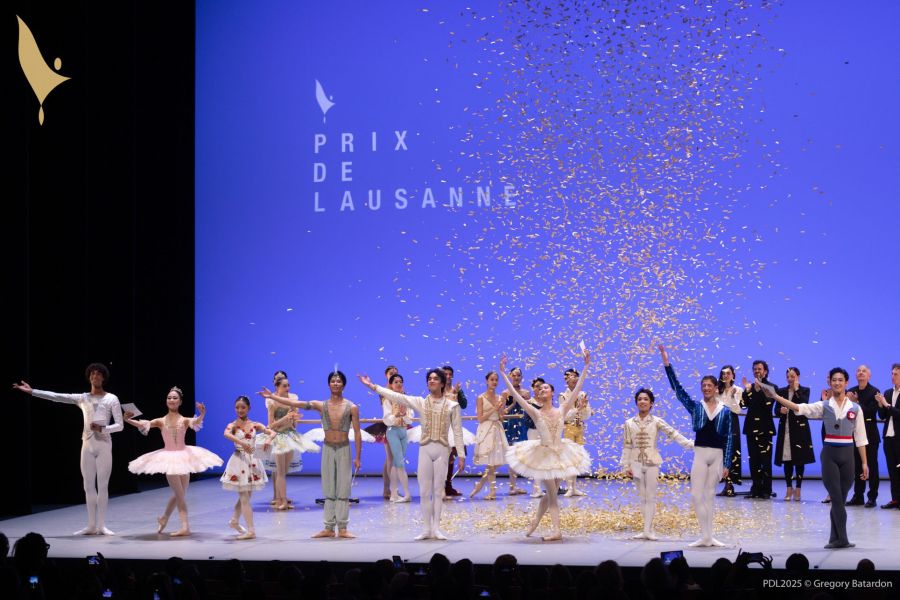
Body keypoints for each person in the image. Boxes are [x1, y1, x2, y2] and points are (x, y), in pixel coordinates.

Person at [761, 368, 868, 548]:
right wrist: (774, 397)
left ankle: (834, 538)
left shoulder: (856, 409)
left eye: (840, 380)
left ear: (846, 383)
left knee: (840, 499)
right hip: (830, 456)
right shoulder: (823, 405)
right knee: (836, 497)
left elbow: (861, 438)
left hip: (849, 456)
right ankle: (843, 539)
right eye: (834, 380)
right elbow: (798, 408)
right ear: (830, 383)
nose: (837, 383)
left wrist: (864, 463)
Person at [12, 364, 123, 535]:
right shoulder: (82, 398)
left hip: (104, 445)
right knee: (87, 486)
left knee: (102, 485)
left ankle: (101, 525)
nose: (96, 376)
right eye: (93, 374)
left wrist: (102, 429)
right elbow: (57, 396)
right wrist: (32, 391)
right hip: (87, 444)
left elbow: (120, 425)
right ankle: (91, 525)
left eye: (99, 374)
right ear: (89, 377)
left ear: (104, 378)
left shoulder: (112, 398)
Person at [358, 368, 465, 540]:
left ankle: (436, 528)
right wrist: (372, 386)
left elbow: (457, 432)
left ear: (443, 383)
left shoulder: (453, 406)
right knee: (424, 491)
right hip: (425, 449)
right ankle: (426, 529)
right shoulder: (421, 402)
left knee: (437, 491)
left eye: (435, 378)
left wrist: (461, 455)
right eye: (429, 378)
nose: (431, 381)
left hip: (442, 450)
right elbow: (396, 397)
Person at [501, 348, 591, 541]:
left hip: (561, 453)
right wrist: (502, 374)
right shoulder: (535, 412)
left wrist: (586, 366)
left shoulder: (562, 408)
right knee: (552, 494)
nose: (542, 390)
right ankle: (557, 530)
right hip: (544, 455)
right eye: (540, 389)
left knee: (550, 494)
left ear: (552, 392)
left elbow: (577, 388)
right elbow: (516, 397)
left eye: (546, 388)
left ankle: (535, 521)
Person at [261, 370, 363, 538]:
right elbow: (299, 404)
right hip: (328, 448)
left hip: (344, 448)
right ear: (329, 384)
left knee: (343, 488)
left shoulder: (352, 407)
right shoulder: (320, 405)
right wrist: (272, 397)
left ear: (343, 384)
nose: (335, 383)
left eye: (338, 381)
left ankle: (343, 528)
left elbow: (357, 433)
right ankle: (329, 527)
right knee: (329, 487)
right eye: (332, 381)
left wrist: (358, 457)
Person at [658, 344, 733, 547]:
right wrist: (666, 362)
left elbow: (729, 438)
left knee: (710, 496)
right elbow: (677, 389)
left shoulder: (725, 411)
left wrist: (727, 464)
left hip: (717, 456)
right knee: (695, 494)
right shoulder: (695, 407)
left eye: (710, 386)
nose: (706, 388)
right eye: (703, 386)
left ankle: (710, 536)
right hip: (700, 454)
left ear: (716, 388)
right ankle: (704, 535)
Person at [125, 387, 223, 535]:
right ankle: (185, 527)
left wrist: (202, 413)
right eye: (169, 397)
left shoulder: (183, 420)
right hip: (169, 459)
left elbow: (196, 421)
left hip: (185, 457)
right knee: (180, 494)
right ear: (166, 401)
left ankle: (164, 518)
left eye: (175, 398)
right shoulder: (160, 421)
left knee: (180, 493)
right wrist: (127, 419)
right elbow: (142, 425)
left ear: (180, 402)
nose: (171, 400)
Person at [620, 387, 693, 540]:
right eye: (640, 399)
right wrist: (626, 465)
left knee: (651, 496)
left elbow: (672, 433)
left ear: (651, 403)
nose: (642, 401)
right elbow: (627, 444)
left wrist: (688, 443)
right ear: (636, 402)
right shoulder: (628, 423)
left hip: (652, 462)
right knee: (643, 497)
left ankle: (648, 530)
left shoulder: (656, 421)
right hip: (635, 463)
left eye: (646, 399)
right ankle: (646, 529)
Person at [258, 371, 319, 511]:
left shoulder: (292, 402)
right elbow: (271, 425)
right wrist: (286, 418)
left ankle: (281, 498)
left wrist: (294, 418)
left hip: (290, 436)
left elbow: (293, 425)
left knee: (284, 471)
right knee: (279, 471)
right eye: (285, 386)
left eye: (288, 385)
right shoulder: (272, 402)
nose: (288, 388)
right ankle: (282, 500)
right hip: (279, 437)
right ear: (278, 387)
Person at [221, 395, 275, 540]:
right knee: (244, 496)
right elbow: (226, 434)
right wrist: (241, 442)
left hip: (252, 462)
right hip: (239, 460)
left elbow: (272, 432)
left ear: (249, 408)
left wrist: (268, 440)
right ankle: (251, 530)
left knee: (246, 495)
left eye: (243, 407)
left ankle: (234, 520)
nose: (240, 410)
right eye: (237, 407)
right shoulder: (232, 425)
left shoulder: (255, 425)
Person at [773, 368, 814, 502]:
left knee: (799, 460)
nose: (790, 379)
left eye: (793, 376)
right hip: (786, 429)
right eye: (788, 377)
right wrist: (781, 411)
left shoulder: (804, 390)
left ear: (798, 377)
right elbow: (776, 410)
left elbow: (804, 405)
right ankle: (788, 488)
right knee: (787, 460)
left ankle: (798, 488)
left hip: (800, 430)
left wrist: (796, 390)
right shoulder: (782, 391)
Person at [740, 360, 776, 499]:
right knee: (753, 460)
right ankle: (755, 489)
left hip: (766, 429)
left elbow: (767, 405)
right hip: (751, 428)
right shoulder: (749, 388)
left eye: (759, 369)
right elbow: (743, 405)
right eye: (755, 369)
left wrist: (758, 389)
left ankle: (766, 490)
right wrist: (747, 391)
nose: (757, 371)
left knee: (765, 460)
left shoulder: (772, 387)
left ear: (765, 371)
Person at [471, 371, 509, 500]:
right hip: (486, 429)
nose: (494, 382)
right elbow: (480, 418)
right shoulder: (480, 397)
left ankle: (481, 484)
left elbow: (501, 418)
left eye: (496, 380)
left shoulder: (499, 397)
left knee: (495, 462)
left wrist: (501, 407)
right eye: (492, 379)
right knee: (490, 463)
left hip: (497, 429)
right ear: (487, 381)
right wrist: (494, 408)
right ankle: (492, 491)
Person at [847, 365, 881, 507]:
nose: (861, 372)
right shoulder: (851, 391)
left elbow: (870, 413)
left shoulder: (874, 392)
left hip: (870, 435)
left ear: (869, 376)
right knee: (857, 467)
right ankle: (858, 496)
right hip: (855, 435)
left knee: (871, 466)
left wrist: (857, 402)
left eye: (864, 371)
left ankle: (872, 497)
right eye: (858, 371)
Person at [560, 367, 593, 497]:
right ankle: (569, 487)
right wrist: (577, 409)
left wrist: (584, 409)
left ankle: (574, 487)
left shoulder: (582, 395)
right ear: (566, 380)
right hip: (568, 428)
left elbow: (587, 415)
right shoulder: (563, 396)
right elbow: (564, 416)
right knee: (569, 458)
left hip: (579, 428)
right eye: (570, 376)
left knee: (577, 458)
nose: (573, 378)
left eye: (575, 376)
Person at [382, 373, 413, 502]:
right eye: (396, 382)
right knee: (400, 463)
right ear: (391, 385)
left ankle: (394, 494)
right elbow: (386, 419)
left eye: (401, 381)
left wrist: (404, 415)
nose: (399, 384)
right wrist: (396, 415)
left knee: (396, 463)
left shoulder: (406, 399)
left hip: (403, 431)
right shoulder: (387, 399)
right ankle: (407, 494)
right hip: (392, 431)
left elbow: (410, 419)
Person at [500, 366, 530, 495]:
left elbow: (530, 410)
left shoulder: (526, 393)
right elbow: (502, 410)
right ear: (509, 377)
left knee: (519, 456)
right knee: (512, 455)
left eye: (518, 375)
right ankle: (512, 486)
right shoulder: (505, 393)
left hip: (522, 424)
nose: (516, 377)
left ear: (521, 377)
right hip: (509, 424)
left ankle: (515, 485)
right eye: (514, 375)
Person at [875, 363, 900, 509]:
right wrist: (880, 405)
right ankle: (895, 499)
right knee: (892, 469)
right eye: (892, 374)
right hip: (888, 437)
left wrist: (887, 405)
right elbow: (883, 416)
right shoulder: (888, 393)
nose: (892, 376)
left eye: (896, 374)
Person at [716, 365, 743, 497]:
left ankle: (730, 484)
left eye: (728, 373)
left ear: (733, 375)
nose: (725, 375)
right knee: (720, 452)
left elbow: (737, 410)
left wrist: (732, 397)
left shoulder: (738, 390)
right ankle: (724, 484)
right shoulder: (717, 390)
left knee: (732, 452)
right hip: (719, 422)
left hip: (732, 422)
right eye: (723, 373)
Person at [442, 365, 467, 497]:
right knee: (443, 457)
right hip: (442, 427)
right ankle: (440, 486)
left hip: (454, 426)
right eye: (445, 374)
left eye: (449, 374)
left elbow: (464, 404)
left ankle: (448, 486)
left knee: (451, 457)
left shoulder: (457, 390)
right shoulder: (438, 390)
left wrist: (457, 393)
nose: (447, 376)